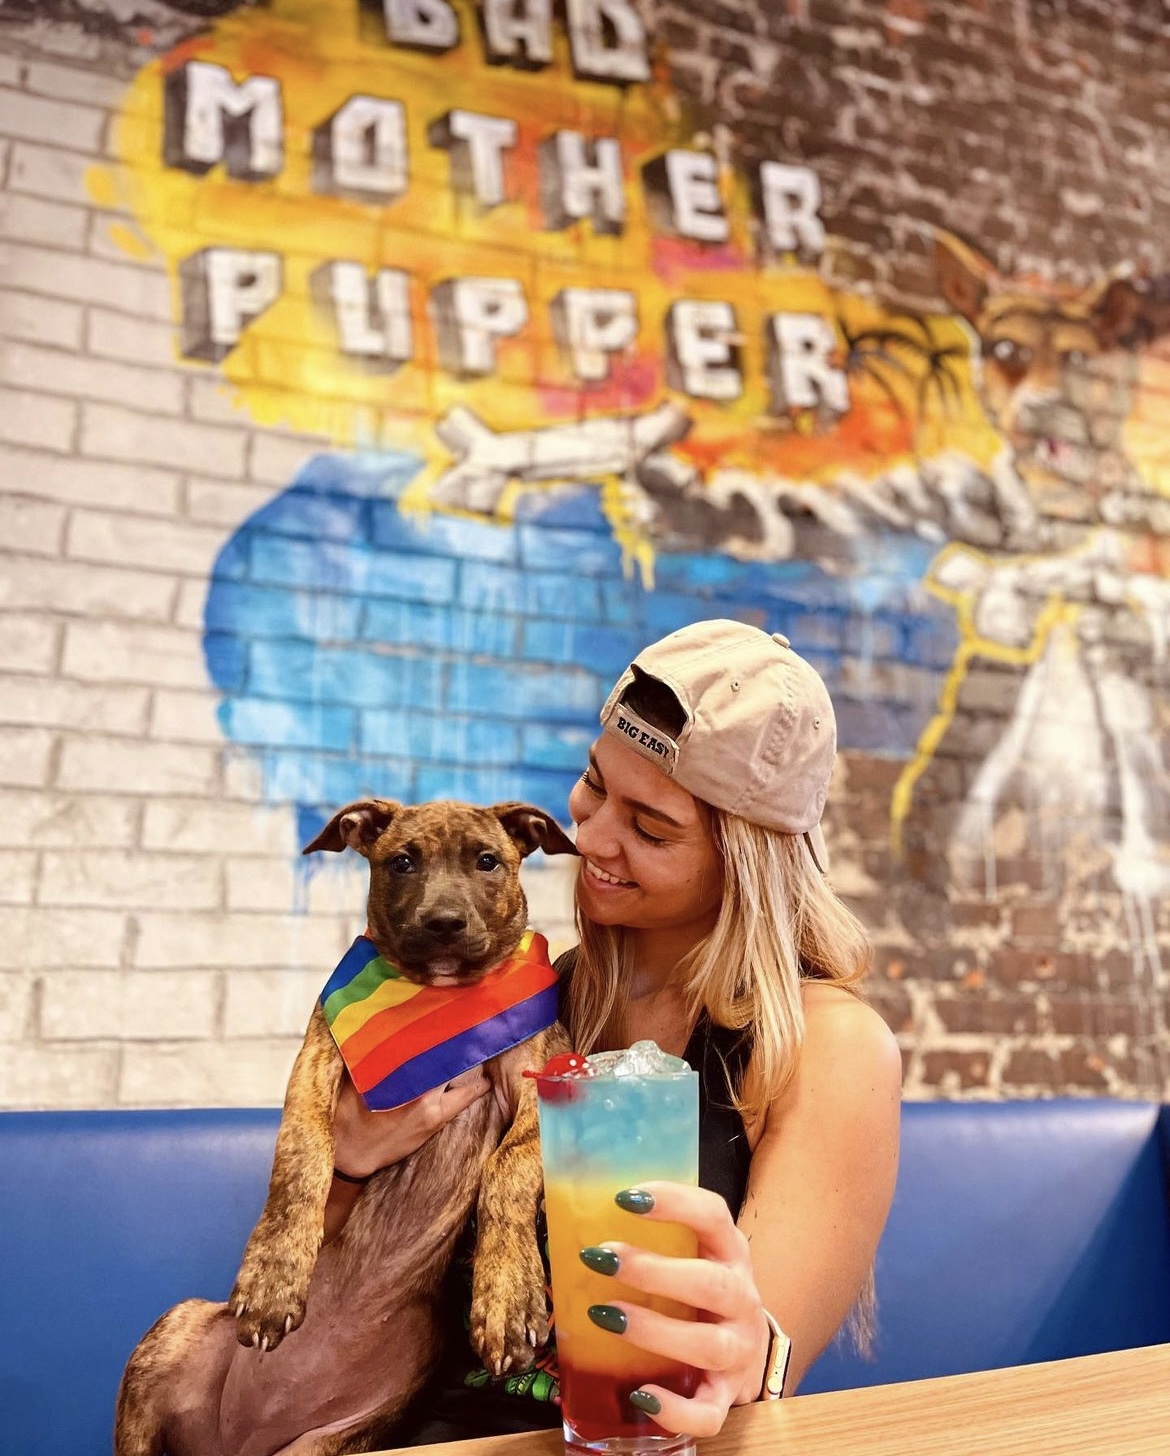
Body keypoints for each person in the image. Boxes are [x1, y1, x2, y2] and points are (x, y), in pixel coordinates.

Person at [327, 618, 902, 1439]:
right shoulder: (529, 1000)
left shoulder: (829, 1048)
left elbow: (750, 1364)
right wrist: (347, 1168)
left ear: (745, 860)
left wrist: (746, 1351)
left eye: (652, 827)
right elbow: (346, 1274)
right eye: (595, 784)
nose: (588, 839)